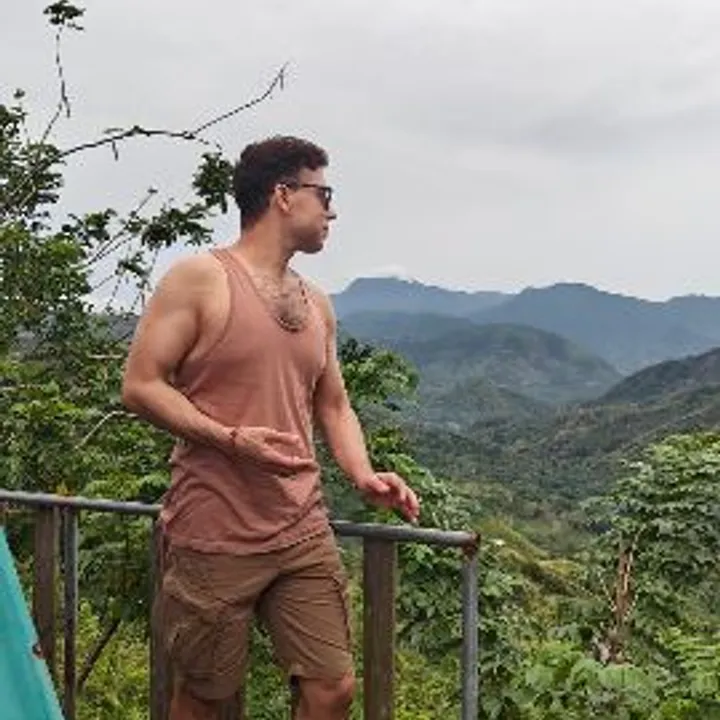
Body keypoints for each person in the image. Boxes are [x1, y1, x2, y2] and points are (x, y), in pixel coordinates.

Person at [121, 135, 421, 720]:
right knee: (206, 698)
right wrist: (231, 439)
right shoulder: (200, 279)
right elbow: (141, 385)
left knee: (333, 688)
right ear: (283, 195)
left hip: (300, 525)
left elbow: (333, 404)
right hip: (214, 529)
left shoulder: (317, 303)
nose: (332, 211)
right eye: (323, 194)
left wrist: (363, 474)